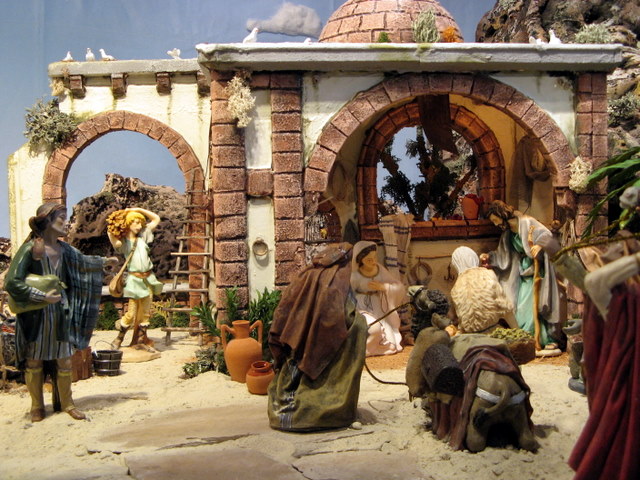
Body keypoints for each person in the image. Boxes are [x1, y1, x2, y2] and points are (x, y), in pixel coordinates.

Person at [4, 203, 115, 422]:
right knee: (34, 361)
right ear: (47, 221)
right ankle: (37, 406)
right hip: (36, 317)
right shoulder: (31, 249)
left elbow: (83, 262)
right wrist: (40, 295)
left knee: (64, 361)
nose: (66, 223)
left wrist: (104, 263)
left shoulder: (65, 250)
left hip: (61, 315)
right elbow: (12, 281)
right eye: (61, 218)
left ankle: (67, 403)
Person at [268, 243, 367, 431]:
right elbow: (339, 318)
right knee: (356, 330)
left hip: (296, 336)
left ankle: (287, 415)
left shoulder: (307, 273)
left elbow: (284, 309)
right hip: (319, 342)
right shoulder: (338, 280)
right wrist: (360, 323)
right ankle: (320, 413)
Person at [480, 201, 560, 352]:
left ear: (501, 214)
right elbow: (503, 254)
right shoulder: (508, 233)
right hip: (523, 271)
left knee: (535, 306)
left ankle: (544, 339)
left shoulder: (526, 222)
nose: (495, 224)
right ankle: (527, 339)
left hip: (537, 271)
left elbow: (547, 235)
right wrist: (489, 257)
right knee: (519, 307)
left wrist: (539, 245)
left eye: (495, 220)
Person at [106, 207, 163, 351]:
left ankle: (140, 340)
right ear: (128, 224)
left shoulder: (143, 237)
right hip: (134, 280)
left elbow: (156, 219)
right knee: (131, 313)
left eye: (140, 223)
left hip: (148, 279)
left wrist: (137, 209)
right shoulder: (124, 243)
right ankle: (119, 338)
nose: (139, 226)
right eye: (135, 222)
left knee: (145, 313)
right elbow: (112, 236)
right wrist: (115, 224)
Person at [350, 241, 406, 356]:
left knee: (391, 345)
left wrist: (384, 287)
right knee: (372, 328)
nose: (374, 262)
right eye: (369, 260)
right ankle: (365, 349)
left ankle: (376, 348)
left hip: (379, 306)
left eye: (375, 257)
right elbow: (349, 293)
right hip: (361, 306)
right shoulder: (355, 275)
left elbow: (398, 286)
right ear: (360, 260)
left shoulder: (379, 269)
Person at [450, 246, 517, 334]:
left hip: (471, 337)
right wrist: (517, 330)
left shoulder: (455, 287)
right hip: (493, 333)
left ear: (455, 264)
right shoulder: (487, 275)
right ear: (474, 258)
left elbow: (460, 319)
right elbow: (505, 307)